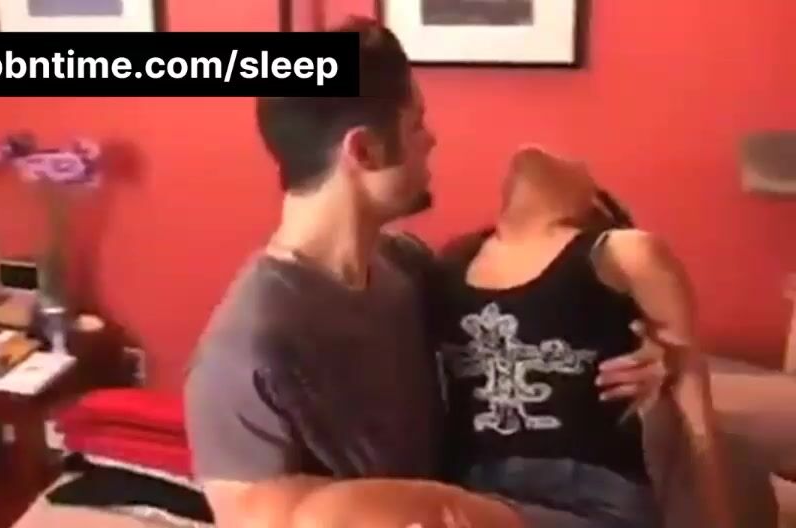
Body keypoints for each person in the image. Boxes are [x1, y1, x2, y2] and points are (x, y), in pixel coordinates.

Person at [183, 18, 669, 528]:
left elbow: (530, 322)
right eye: (416, 125)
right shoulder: (242, 353)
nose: (431, 141)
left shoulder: (406, 267)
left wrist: (654, 353)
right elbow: (257, 518)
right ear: (364, 151)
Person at [434, 146, 733, 528]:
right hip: (472, 490)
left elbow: (693, 398)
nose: (536, 153)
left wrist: (718, 517)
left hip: (589, 497)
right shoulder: (448, 263)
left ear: (591, 200)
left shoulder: (622, 252)